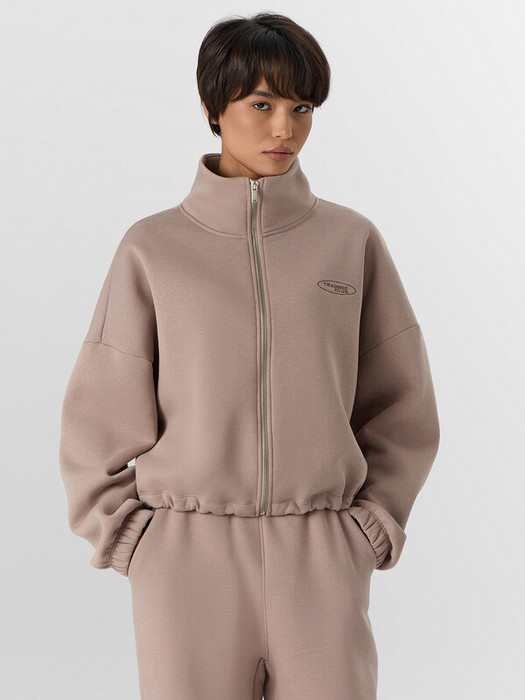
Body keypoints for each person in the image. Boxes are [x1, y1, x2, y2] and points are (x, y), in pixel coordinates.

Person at [59, 11, 440, 700]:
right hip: (186, 561)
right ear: (214, 108)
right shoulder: (153, 248)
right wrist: (132, 540)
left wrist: (370, 528)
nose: (283, 128)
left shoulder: (349, 242)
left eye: (301, 107)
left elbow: (401, 405)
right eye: (261, 105)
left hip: (321, 556)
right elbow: (98, 418)